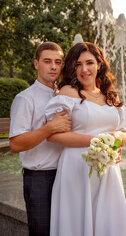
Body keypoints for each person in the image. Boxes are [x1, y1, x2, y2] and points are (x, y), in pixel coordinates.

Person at [45, 42, 126, 236]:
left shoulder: (111, 95)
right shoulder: (68, 93)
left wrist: (117, 138)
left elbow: (125, 133)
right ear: (72, 68)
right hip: (76, 168)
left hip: (109, 170)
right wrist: (98, 141)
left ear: (99, 64)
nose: (84, 69)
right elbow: (53, 135)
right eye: (78, 64)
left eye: (89, 63)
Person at [9, 42, 72, 236]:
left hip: (66, 175)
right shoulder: (25, 99)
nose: (53, 66)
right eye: (47, 61)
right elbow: (15, 144)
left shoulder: (65, 95)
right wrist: (49, 128)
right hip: (40, 179)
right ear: (36, 64)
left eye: (58, 62)